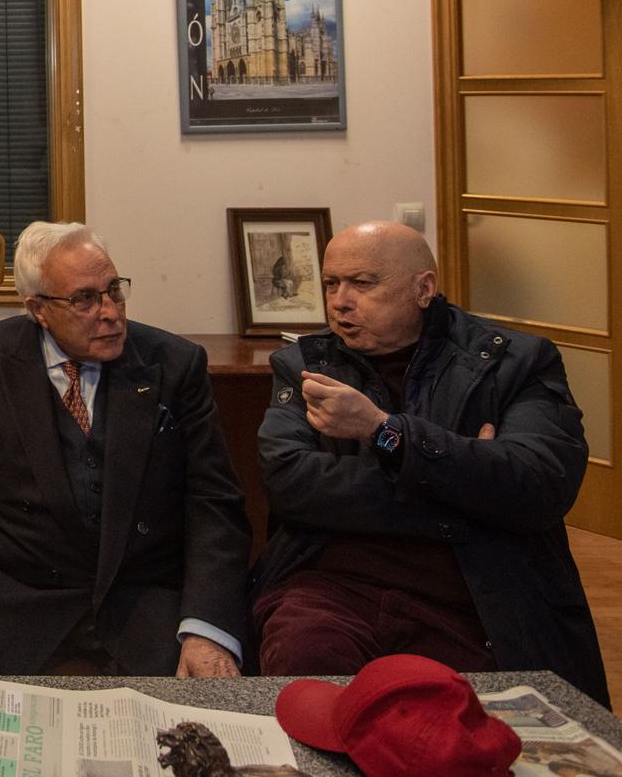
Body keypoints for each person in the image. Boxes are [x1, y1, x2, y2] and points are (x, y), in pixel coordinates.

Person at [251, 220, 608, 703]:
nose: (340, 302)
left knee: (456, 722)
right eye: (332, 283)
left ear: (423, 289)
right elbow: (291, 483)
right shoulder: (305, 365)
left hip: (472, 591)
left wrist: (384, 432)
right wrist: (462, 477)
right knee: (308, 676)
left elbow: (539, 486)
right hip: (332, 585)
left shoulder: (514, 363)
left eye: (362, 283)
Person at [0, 221, 250, 677]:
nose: (111, 313)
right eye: (85, 299)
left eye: (114, 290)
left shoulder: (174, 364)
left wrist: (205, 628)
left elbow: (214, 504)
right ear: (38, 309)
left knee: (197, 715)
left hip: (140, 595)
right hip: (20, 589)